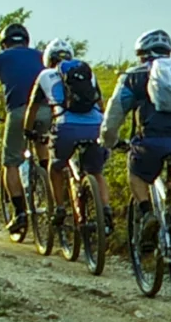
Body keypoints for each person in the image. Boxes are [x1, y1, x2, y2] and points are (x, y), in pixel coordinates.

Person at [101, 29, 171, 250]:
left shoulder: (134, 75)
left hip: (151, 141)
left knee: (136, 174)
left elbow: (115, 113)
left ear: (141, 54)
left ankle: (147, 213)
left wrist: (108, 140)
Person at [0, 21, 46, 236]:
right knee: (43, 148)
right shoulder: (41, 55)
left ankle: (20, 213)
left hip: (19, 111)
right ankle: (50, 187)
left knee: (10, 163)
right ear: (26, 41)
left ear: (4, 44)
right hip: (47, 109)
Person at [26, 38, 109, 229]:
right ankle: (106, 209)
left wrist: (28, 131)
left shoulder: (45, 76)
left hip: (66, 127)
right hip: (96, 126)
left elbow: (33, 108)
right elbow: (100, 104)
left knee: (56, 167)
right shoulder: (89, 74)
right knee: (96, 172)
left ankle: (60, 208)